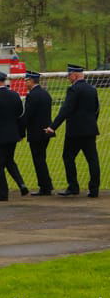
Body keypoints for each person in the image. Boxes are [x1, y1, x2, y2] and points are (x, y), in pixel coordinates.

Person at [46, 64, 100, 198]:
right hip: (90, 130)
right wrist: (91, 123)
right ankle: (94, 189)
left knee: (68, 157)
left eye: (69, 75)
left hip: (75, 131)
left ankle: (73, 186)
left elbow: (66, 109)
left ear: (75, 75)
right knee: (92, 159)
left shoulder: (73, 89)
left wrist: (53, 127)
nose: (68, 78)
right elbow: (96, 109)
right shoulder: (92, 89)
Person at [23, 71, 55, 195]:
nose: (25, 83)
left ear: (31, 81)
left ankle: (45, 187)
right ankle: (47, 184)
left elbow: (28, 116)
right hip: (46, 132)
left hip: (36, 133)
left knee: (38, 160)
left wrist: (20, 128)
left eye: (26, 80)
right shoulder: (46, 94)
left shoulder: (32, 95)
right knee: (41, 158)